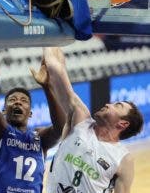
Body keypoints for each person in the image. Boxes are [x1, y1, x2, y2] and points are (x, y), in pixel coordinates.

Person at [43, 47, 144, 193]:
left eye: (117, 106)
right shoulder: (80, 119)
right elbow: (55, 68)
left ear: (123, 124)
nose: (108, 104)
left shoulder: (123, 159)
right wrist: (51, 38)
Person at [0, 49, 66, 193]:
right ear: (4, 111)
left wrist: (47, 87)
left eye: (24, 100)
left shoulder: (39, 138)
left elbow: (61, 128)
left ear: (30, 113)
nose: (18, 102)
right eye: (12, 100)